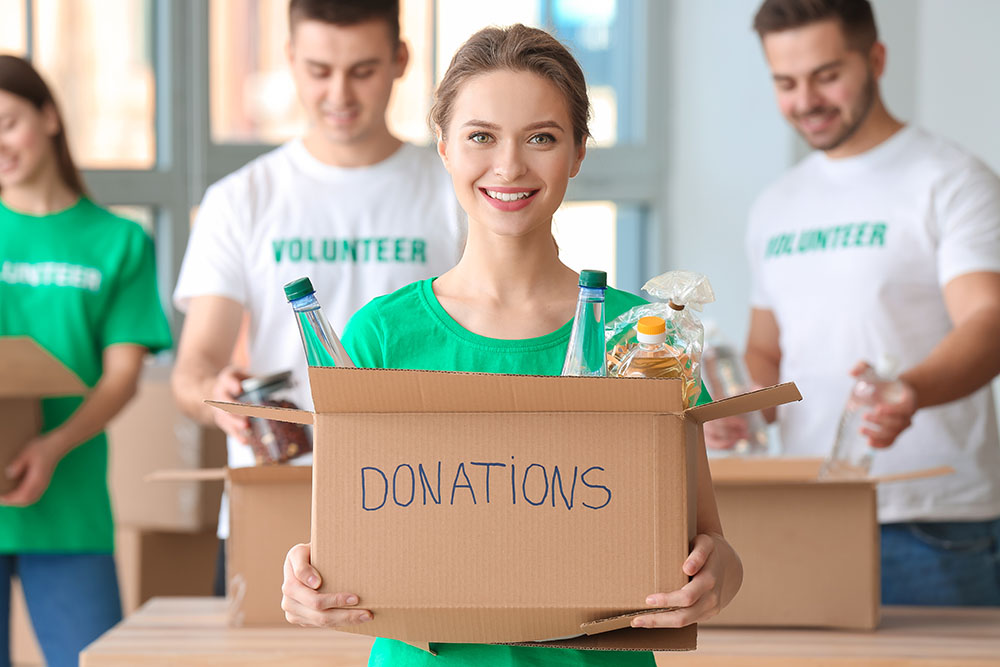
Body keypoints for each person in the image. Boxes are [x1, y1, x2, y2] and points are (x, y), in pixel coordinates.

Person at [279, 24, 743, 666]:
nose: (509, 166)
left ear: (579, 152)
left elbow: (713, 546)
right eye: (480, 137)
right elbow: (344, 540)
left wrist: (715, 579)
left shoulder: (642, 335)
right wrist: (306, 582)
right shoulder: (380, 335)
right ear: (442, 146)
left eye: (542, 139)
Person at [171, 0, 465, 595]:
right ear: (290, 61)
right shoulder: (242, 199)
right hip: (277, 495)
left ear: (399, 61)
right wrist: (217, 398)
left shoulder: (454, 190)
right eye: (318, 70)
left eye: (362, 70)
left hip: (423, 494)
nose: (339, 93)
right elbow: (194, 368)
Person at [715, 0, 1000, 605]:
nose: (806, 100)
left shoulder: (949, 180)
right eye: (785, 83)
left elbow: (989, 320)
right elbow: (768, 349)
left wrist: (912, 390)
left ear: (876, 58)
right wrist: (739, 412)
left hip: (930, 522)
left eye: (827, 75)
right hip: (804, 509)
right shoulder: (776, 205)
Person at [0, 55, 172, 667]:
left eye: (8, 121)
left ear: (48, 117)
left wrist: (52, 446)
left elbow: (122, 374)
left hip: (69, 503)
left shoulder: (118, 241)